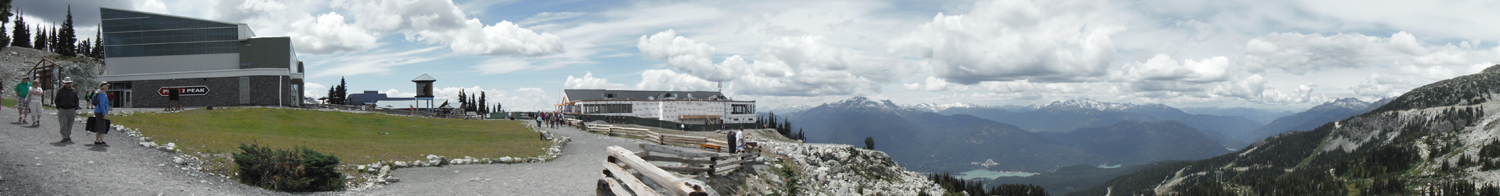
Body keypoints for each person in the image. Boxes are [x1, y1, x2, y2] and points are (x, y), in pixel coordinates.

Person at [54, 77, 79, 143]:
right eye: (67, 83)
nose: (68, 84)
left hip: (71, 109)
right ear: (64, 83)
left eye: (69, 83)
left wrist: (75, 107)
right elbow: (57, 100)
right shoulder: (60, 91)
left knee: (70, 124)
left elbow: (76, 99)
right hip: (62, 109)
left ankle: (68, 135)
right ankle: (64, 136)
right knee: (63, 123)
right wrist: (58, 107)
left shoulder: (74, 91)